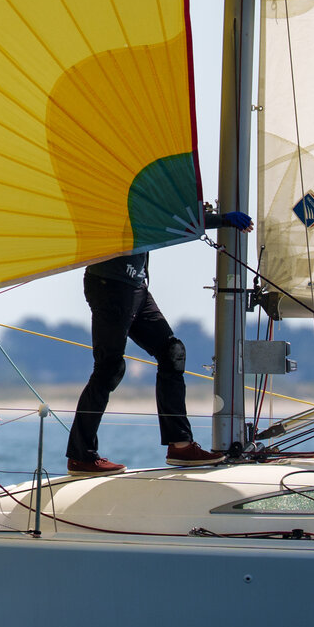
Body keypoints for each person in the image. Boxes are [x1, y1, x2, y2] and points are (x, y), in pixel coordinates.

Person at [65, 203, 253, 476]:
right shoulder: (125, 196)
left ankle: (180, 445)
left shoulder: (146, 195)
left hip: (136, 286)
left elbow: (166, 211)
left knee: (171, 351)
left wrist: (212, 216)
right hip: (110, 285)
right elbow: (168, 216)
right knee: (109, 368)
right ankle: (81, 456)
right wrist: (222, 219)